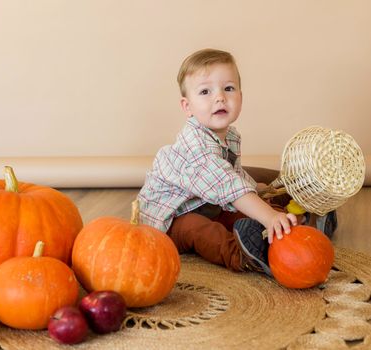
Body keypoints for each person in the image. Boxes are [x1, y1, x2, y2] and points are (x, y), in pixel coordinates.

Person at [137, 48, 334, 276]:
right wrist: (266, 214)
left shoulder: (229, 135)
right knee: (198, 229)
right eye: (205, 92)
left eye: (228, 88)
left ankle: (299, 214)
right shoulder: (195, 148)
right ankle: (241, 255)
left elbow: (234, 173)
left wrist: (256, 193)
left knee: (256, 192)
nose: (220, 97)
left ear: (241, 96)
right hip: (171, 219)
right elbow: (227, 186)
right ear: (187, 106)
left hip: (207, 202)